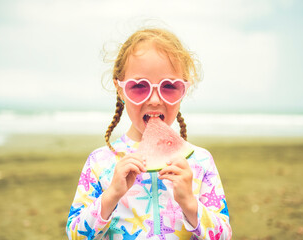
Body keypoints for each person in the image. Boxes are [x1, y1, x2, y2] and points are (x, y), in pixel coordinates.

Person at [66, 27, 232, 240]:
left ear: (184, 91)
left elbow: (224, 236)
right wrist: (111, 196)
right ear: (120, 89)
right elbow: (74, 235)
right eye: (139, 86)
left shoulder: (201, 161)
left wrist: (190, 204)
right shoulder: (99, 163)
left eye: (169, 86)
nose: (154, 100)